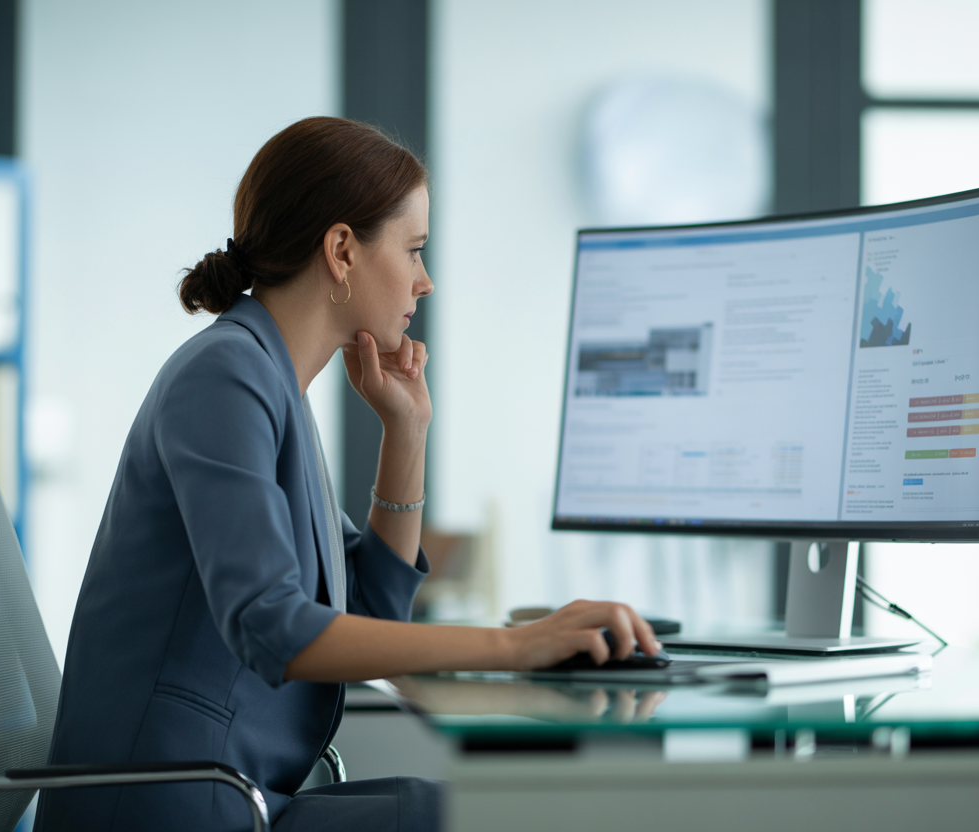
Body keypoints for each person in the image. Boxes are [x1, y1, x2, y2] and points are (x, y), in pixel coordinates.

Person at [35, 117, 661, 832]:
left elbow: (368, 611)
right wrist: (519, 646)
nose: (426, 280)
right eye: (414, 249)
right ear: (341, 251)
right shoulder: (224, 378)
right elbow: (274, 627)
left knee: (481, 807)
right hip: (170, 807)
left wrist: (406, 433)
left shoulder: (269, 384)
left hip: (230, 794)